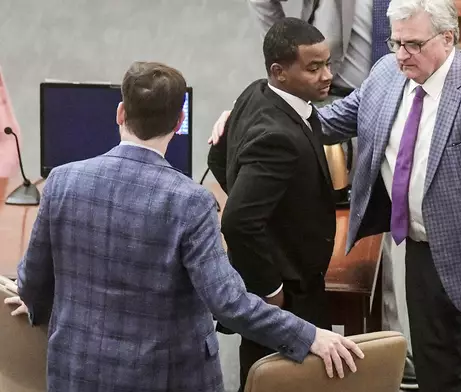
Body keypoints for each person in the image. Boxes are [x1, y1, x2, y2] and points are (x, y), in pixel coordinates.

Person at [211, 0, 461, 390]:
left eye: (413, 45)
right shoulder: (387, 74)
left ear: (447, 38)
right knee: (436, 372)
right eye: (396, 42)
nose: (401, 55)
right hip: (422, 256)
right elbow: (323, 122)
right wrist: (244, 115)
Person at [3, 61, 363, 392]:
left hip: (75, 375)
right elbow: (230, 304)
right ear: (179, 123)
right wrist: (309, 336)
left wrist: (33, 299)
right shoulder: (190, 201)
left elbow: (32, 282)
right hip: (167, 379)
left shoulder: (62, 182)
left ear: (120, 113)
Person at [245, 2, 419, 389]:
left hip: (387, 95)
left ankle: (383, 348)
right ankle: (356, 349)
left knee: (377, 230)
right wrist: (270, 101)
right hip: (317, 97)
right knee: (330, 230)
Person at [207, 18, 338, 392]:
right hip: (288, 293)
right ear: (279, 72)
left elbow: (218, 157)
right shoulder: (277, 138)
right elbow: (237, 223)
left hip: (292, 279)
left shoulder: (255, 92)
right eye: (314, 68)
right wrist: (270, 288)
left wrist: (263, 205)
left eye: (327, 63)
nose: (327, 75)